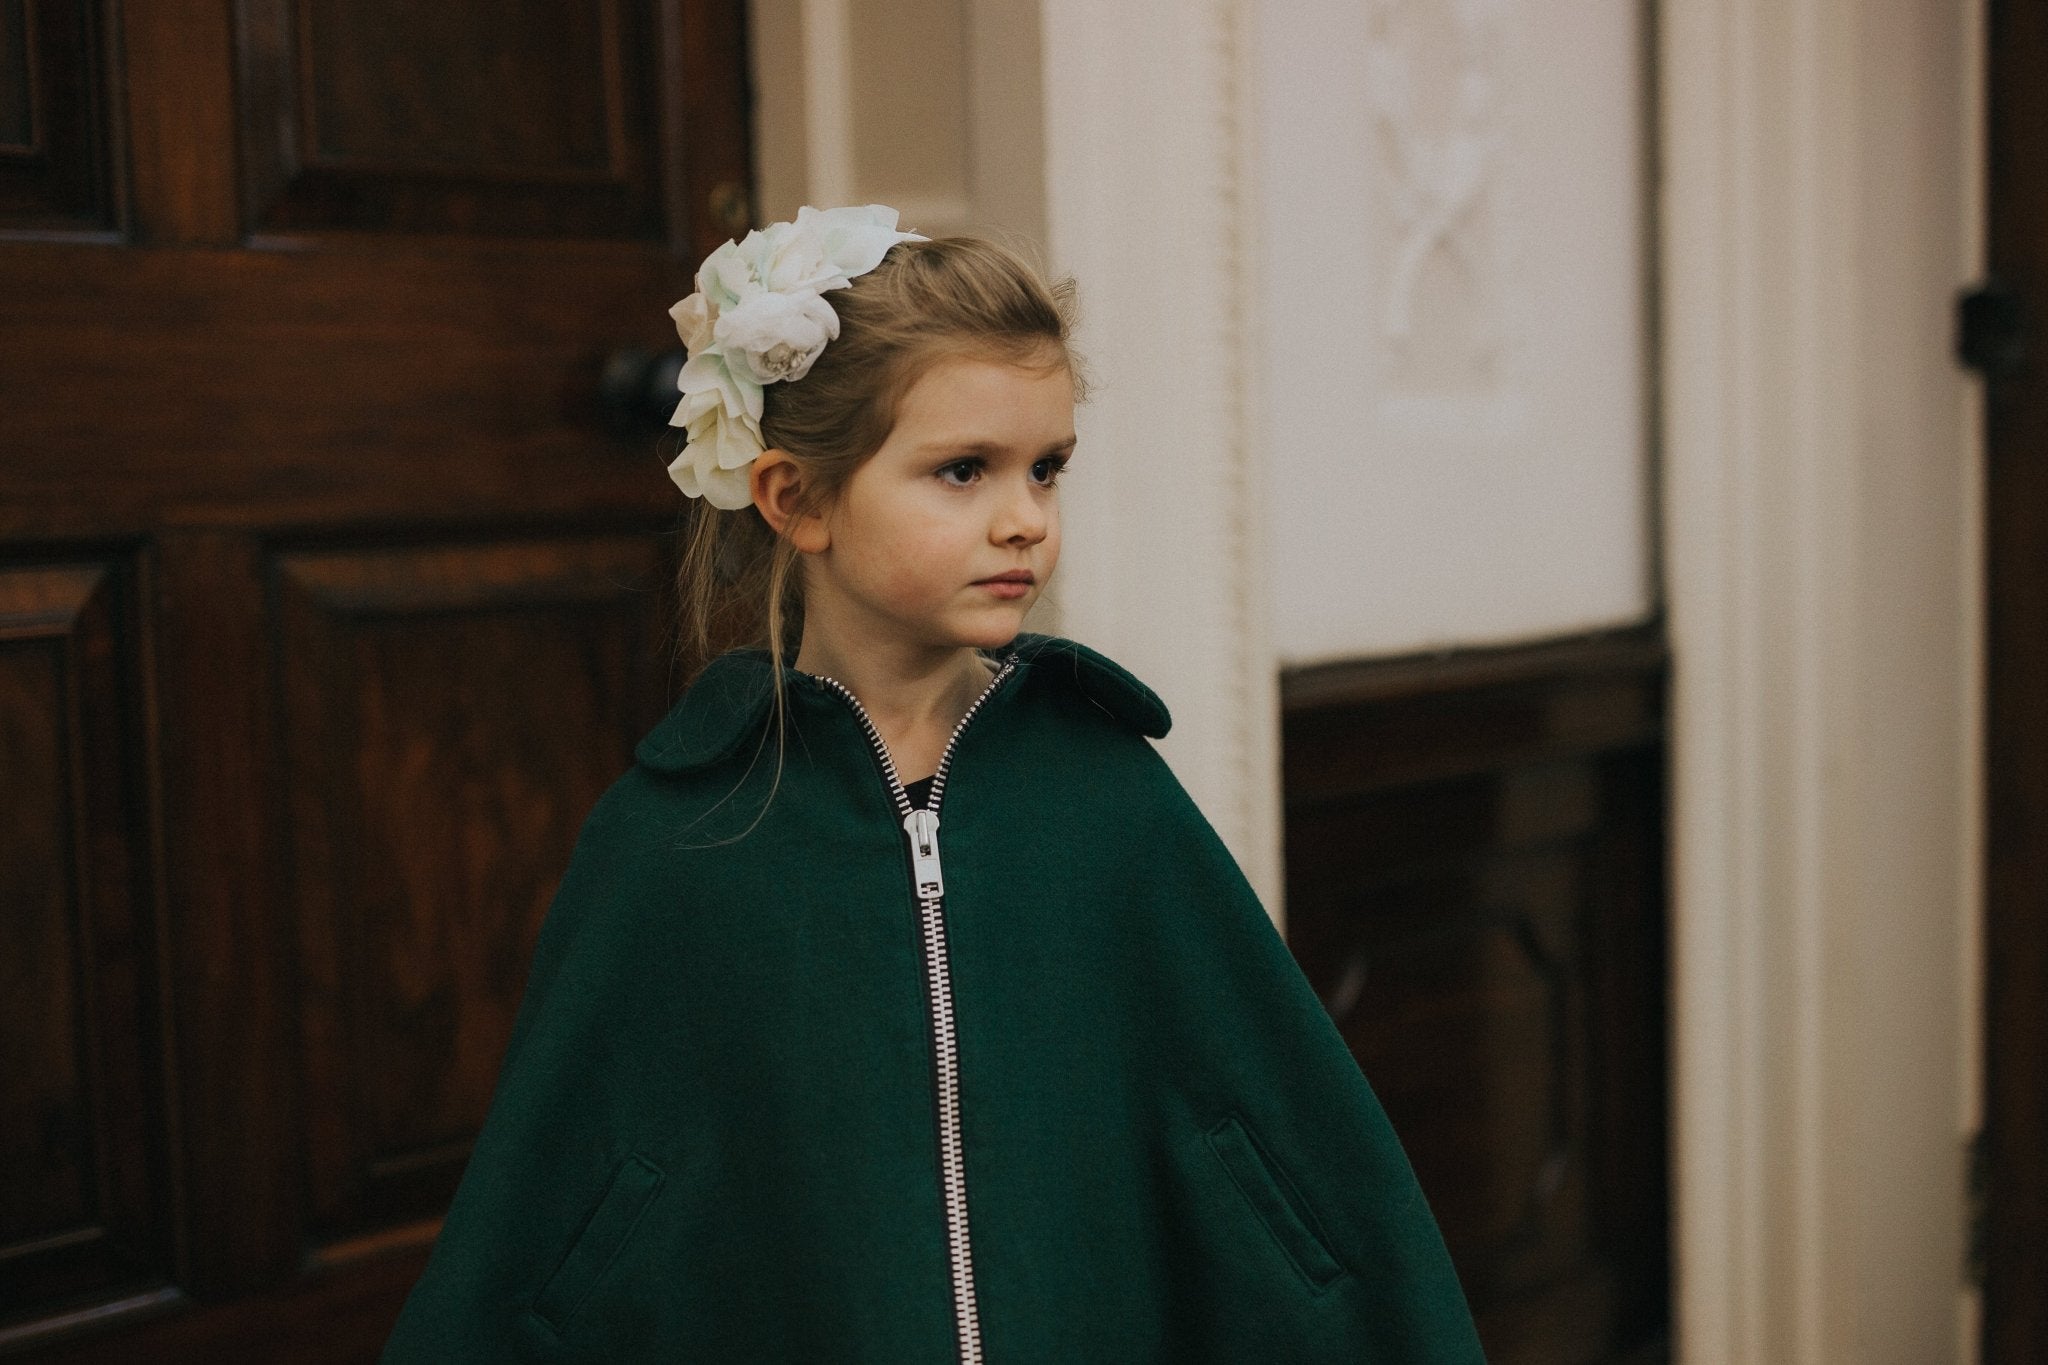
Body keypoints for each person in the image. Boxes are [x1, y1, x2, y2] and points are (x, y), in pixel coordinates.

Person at [380, 205, 1484, 1363]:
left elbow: (1291, 1161)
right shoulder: (681, 839)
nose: (1026, 521)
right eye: (962, 471)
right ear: (794, 499)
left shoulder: (1108, 802)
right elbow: (547, 1223)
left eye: (1046, 470)